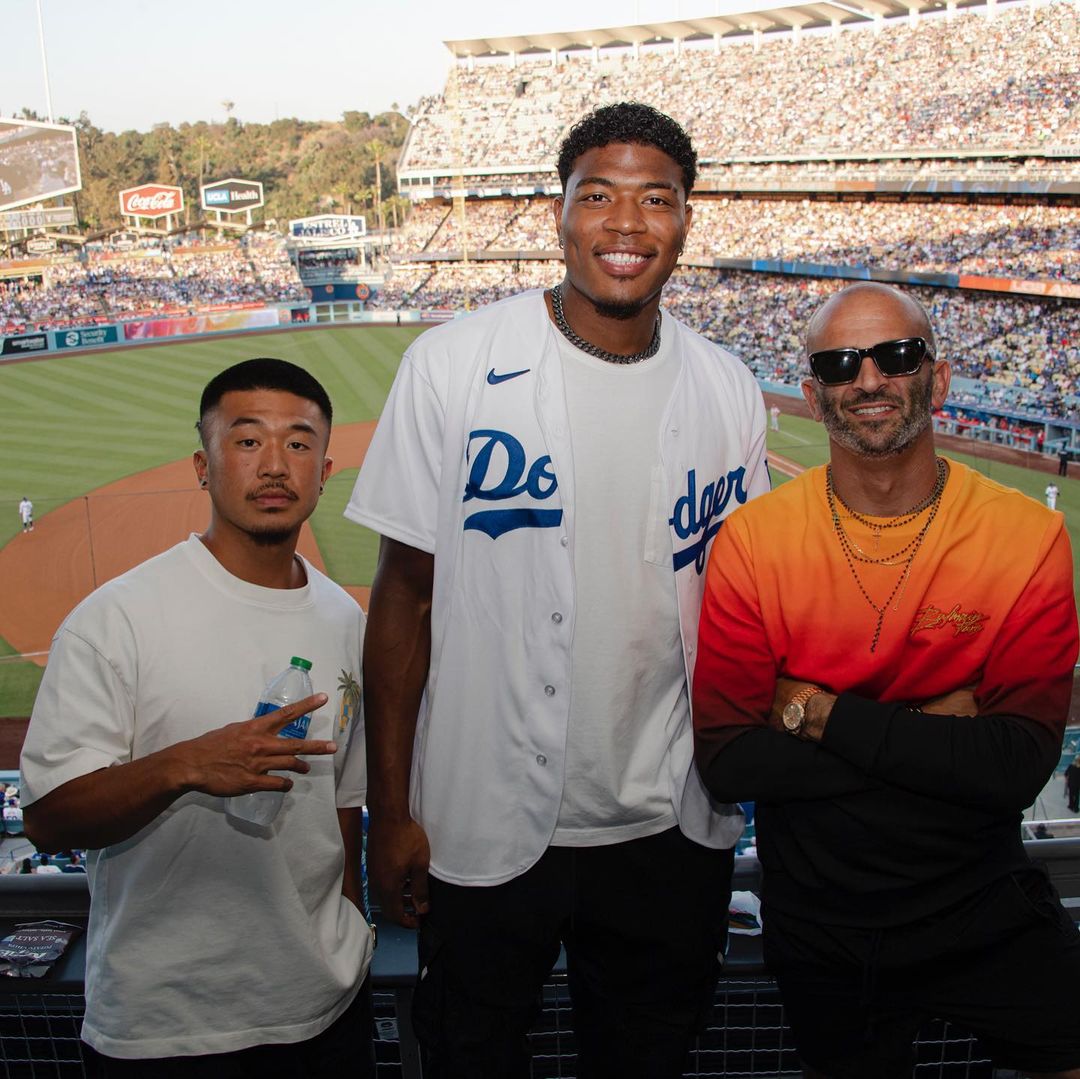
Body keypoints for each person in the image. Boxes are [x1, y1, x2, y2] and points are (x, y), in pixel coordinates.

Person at [346, 102, 769, 1078]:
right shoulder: (450, 366)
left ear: (687, 221)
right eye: (600, 196)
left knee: (647, 1058)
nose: (626, 224)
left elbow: (742, 606)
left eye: (655, 198)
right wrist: (392, 810)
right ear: (559, 213)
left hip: (668, 822)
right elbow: (403, 600)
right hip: (481, 821)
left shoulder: (727, 388)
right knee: (471, 1055)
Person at [693, 282, 1080, 1079]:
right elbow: (731, 758)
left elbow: (1013, 765)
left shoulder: (1027, 537)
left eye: (896, 356)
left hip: (982, 902)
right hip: (821, 922)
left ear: (936, 379)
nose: (868, 379)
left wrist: (814, 711)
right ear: (812, 394)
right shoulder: (753, 542)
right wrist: (935, 726)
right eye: (840, 364)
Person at [20, 358, 374, 1075]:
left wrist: (351, 937)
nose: (275, 464)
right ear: (202, 464)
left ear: (325, 468)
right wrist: (183, 764)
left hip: (325, 1009)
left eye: (299, 443)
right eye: (247, 441)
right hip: (167, 1027)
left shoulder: (344, 617)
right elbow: (49, 818)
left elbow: (342, 805)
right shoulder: (115, 619)